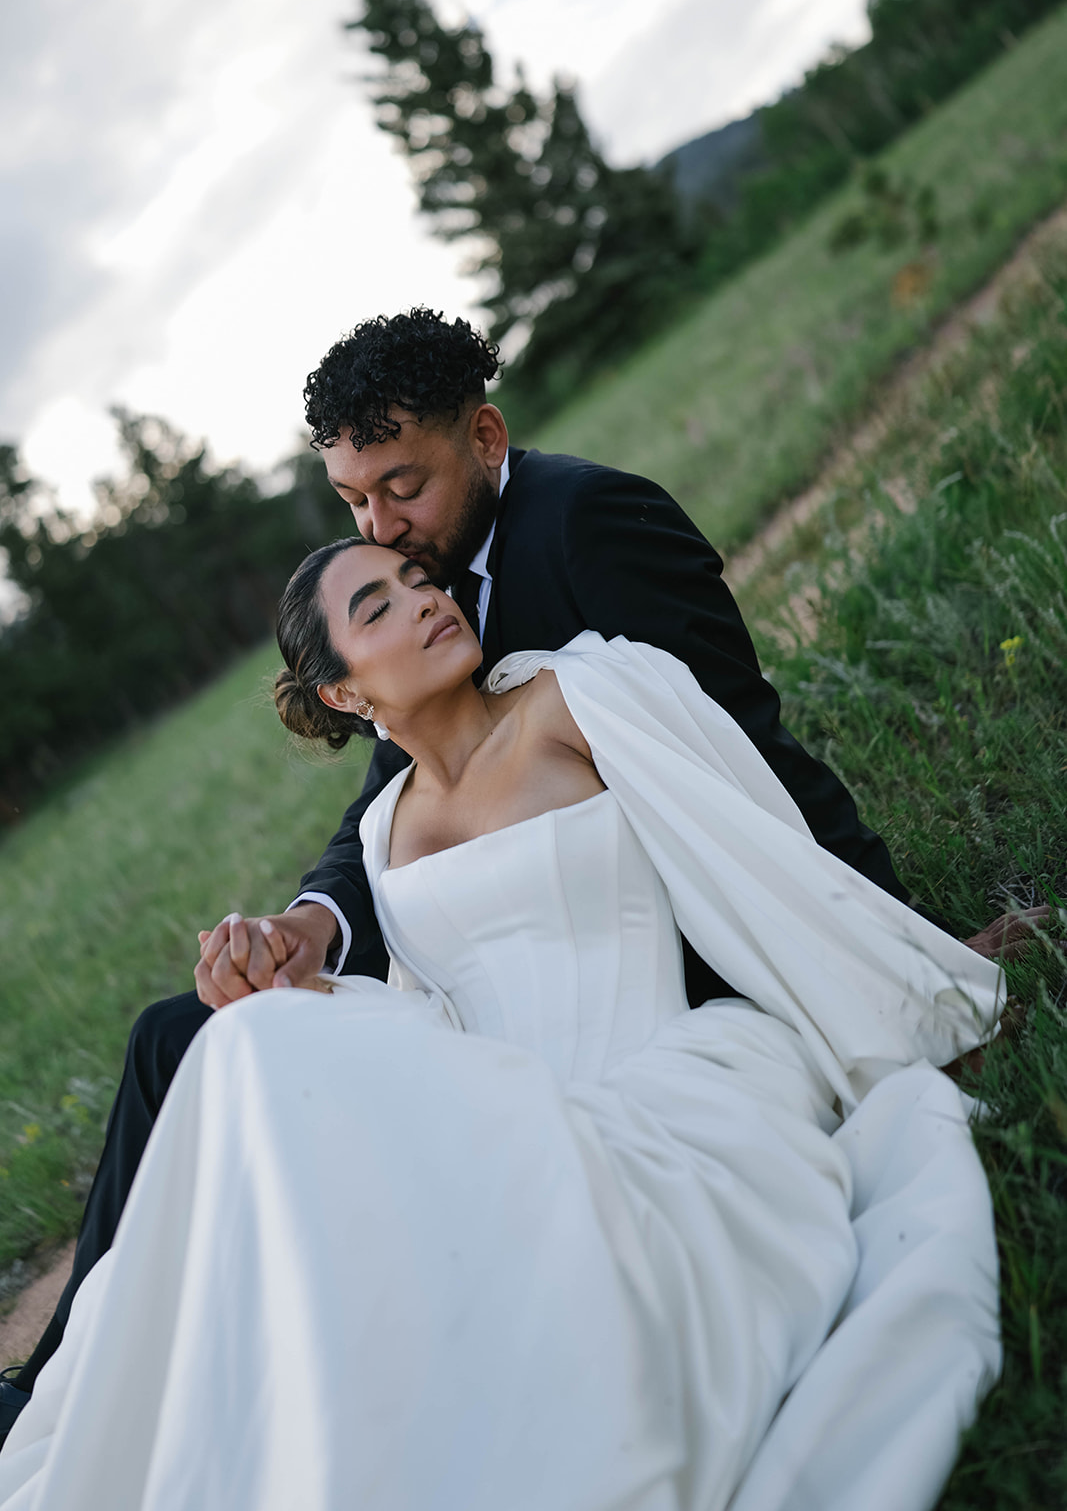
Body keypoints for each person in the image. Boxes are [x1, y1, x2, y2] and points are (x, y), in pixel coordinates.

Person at [0, 309, 1035, 1438]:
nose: (383, 524)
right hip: (491, 1013)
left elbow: (742, 758)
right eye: (354, 502)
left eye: (401, 487)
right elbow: (391, 806)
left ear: (483, 437)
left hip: (640, 997)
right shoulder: (416, 604)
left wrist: (897, 951)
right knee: (178, 1039)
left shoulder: (593, 525)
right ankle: (74, 1387)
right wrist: (310, 925)